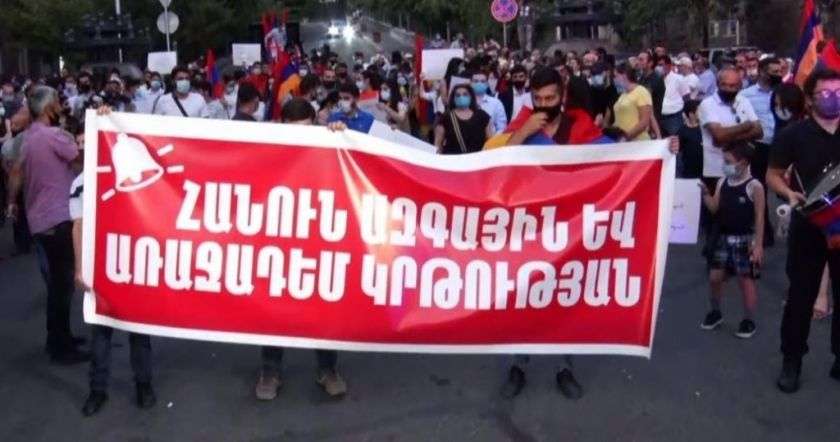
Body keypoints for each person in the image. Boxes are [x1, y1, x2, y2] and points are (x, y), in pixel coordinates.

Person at [256, 97, 348, 401]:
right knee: (274, 305)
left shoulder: (329, 144)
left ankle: (327, 369)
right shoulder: (268, 148)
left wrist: (340, 133)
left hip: (319, 237)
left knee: (324, 305)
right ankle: (270, 370)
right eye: (293, 129)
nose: (301, 136)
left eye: (306, 129)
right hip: (279, 237)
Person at [71, 112, 155, 416]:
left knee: (139, 331)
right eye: (81, 142)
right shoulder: (81, 183)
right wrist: (80, 267)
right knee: (101, 334)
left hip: (134, 263)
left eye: (89, 139)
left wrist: (109, 117)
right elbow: (78, 225)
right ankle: (98, 390)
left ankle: (144, 384)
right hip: (102, 267)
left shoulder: (135, 169)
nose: (85, 146)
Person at [766, 68, 840, 394]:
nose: (834, 98)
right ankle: (792, 360)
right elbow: (773, 174)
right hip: (809, 227)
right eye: (826, 93)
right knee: (800, 297)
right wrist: (787, 193)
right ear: (810, 99)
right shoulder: (793, 135)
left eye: (839, 92)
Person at [5, 86, 90, 364]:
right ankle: (60, 347)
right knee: (62, 286)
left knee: (57, 285)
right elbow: (80, 159)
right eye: (57, 103)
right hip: (59, 218)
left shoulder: (27, 138)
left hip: (39, 219)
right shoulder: (55, 136)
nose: (60, 106)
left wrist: (12, 202)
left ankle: (59, 338)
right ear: (49, 108)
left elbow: (15, 173)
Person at [699, 143, 765, 339]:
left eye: (728, 161)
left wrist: (758, 245)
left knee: (746, 282)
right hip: (723, 238)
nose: (724, 165)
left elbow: (760, 217)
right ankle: (715, 312)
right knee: (714, 278)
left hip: (745, 240)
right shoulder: (722, 182)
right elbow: (714, 208)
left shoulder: (755, 186)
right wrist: (705, 193)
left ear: (743, 163)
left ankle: (749, 320)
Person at [739, 57, 782, 246]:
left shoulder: (785, 92)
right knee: (759, 188)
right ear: (762, 72)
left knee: (789, 188)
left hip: (784, 146)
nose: (778, 75)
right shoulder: (746, 95)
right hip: (760, 146)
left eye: (780, 71)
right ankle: (764, 231)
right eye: (774, 71)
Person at [698, 67, 763, 184]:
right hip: (717, 169)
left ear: (740, 86)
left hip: (743, 168)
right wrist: (746, 126)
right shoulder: (708, 104)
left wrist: (729, 138)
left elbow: (759, 131)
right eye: (724, 85)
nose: (728, 89)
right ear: (717, 84)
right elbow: (719, 135)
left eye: (732, 86)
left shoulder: (744, 101)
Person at [434, 84, 493, 154]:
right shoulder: (445, 117)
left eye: (465, 94)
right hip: (453, 158)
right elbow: (438, 144)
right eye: (457, 95)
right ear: (453, 99)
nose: (461, 97)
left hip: (478, 159)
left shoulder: (482, 116)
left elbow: (490, 141)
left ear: (471, 97)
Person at [612, 61, 658, 141]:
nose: (614, 80)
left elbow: (644, 122)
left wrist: (626, 137)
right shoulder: (623, 95)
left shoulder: (641, 91)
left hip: (637, 141)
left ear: (624, 76)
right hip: (622, 141)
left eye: (616, 76)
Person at [659, 56, 689, 136]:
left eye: (661, 65)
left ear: (668, 65)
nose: (659, 68)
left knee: (676, 140)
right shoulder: (656, 80)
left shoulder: (679, 79)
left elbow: (686, 96)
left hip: (674, 117)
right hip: (659, 117)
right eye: (658, 65)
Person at [470, 71, 507, 135]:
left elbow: (502, 127)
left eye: (482, 81)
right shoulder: (465, 103)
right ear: (470, 83)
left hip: (491, 139)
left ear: (487, 84)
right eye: (476, 81)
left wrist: (493, 140)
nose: (479, 84)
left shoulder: (496, 103)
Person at [678, 100, 703, 179]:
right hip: (690, 171)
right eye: (699, 111)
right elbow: (678, 149)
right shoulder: (682, 131)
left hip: (705, 170)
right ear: (691, 114)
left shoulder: (704, 129)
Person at [638, 51, 666, 121]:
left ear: (650, 63)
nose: (638, 62)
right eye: (638, 59)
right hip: (642, 116)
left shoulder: (657, 79)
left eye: (641, 60)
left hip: (653, 118)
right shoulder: (641, 78)